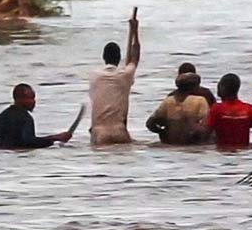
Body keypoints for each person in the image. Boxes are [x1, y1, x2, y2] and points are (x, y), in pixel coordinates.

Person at [89, 12, 141, 145]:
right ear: (119, 58)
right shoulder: (124, 75)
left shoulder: (94, 76)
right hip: (120, 131)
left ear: (103, 57)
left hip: (99, 132)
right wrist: (135, 30)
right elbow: (135, 57)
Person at [0, 84, 72, 149]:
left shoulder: (1, 117)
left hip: (3, 158)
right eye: (30, 98)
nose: (34, 102)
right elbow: (28, 142)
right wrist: (55, 138)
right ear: (19, 99)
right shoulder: (25, 118)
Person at [146, 72, 210, 145]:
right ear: (195, 87)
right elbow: (207, 123)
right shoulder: (200, 101)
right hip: (192, 142)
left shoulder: (168, 101)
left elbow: (150, 123)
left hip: (170, 141)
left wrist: (161, 132)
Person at [205, 73, 252, 149]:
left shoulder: (216, 109)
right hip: (243, 152)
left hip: (222, 152)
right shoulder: (249, 109)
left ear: (223, 87)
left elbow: (205, 133)